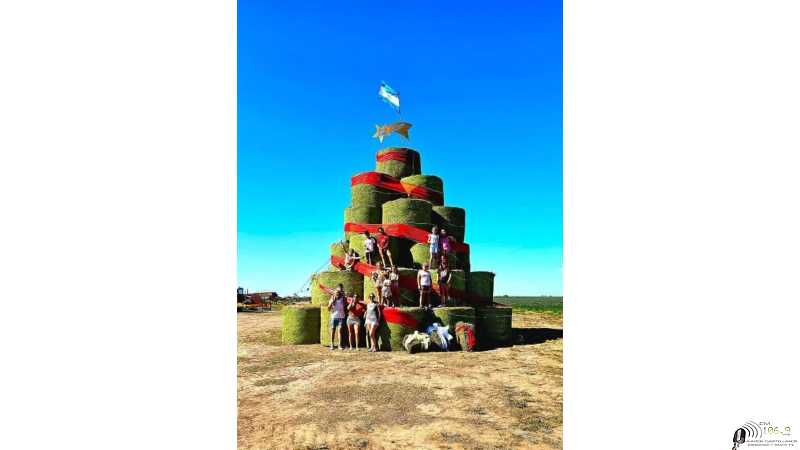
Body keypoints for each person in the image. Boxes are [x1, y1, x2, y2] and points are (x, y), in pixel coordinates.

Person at [327, 284, 347, 350]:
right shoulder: (332, 299)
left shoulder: (343, 299)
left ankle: (339, 345)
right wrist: (332, 302)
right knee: (333, 331)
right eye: (336, 293)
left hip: (341, 317)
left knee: (340, 331)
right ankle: (332, 344)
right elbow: (328, 309)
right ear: (334, 293)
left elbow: (345, 306)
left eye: (338, 293)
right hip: (334, 317)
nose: (338, 293)